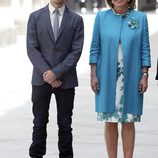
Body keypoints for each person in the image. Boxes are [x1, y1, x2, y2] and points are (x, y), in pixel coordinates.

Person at [89, 0, 151, 158]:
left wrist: (145, 74)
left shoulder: (141, 18)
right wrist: (93, 74)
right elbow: (95, 47)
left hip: (131, 77)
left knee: (128, 120)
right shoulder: (101, 18)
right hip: (107, 77)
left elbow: (145, 48)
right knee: (110, 120)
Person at [27, 0, 84, 157]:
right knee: (39, 123)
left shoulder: (76, 19)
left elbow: (76, 51)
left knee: (65, 125)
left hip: (66, 80)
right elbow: (32, 49)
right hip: (41, 79)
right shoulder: (35, 17)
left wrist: (56, 73)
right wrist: (48, 73)